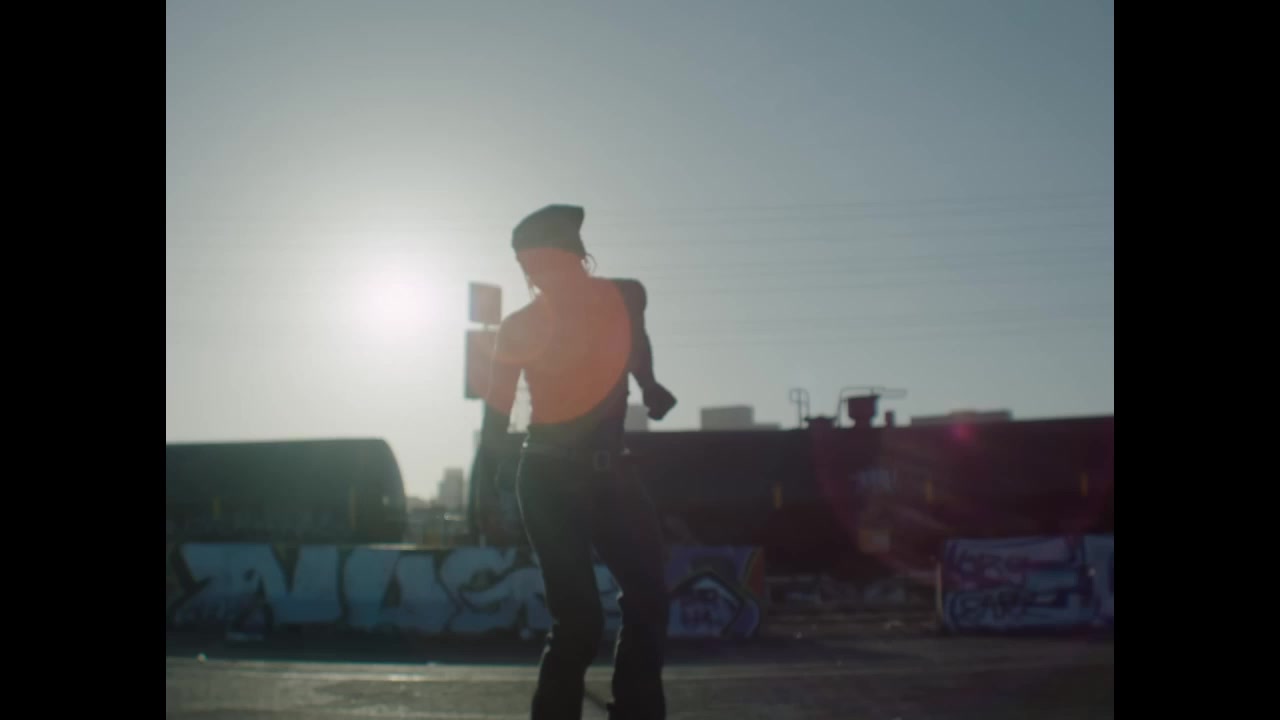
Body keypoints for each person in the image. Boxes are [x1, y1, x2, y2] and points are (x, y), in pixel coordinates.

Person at [476, 204, 676, 720]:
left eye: (540, 262)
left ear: (574, 255)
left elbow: (637, 343)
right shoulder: (518, 328)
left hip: (612, 475)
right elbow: (496, 414)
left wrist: (650, 385)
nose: (534, 275)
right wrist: (487, 490)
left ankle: (637, 711)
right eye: (527, 267)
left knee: (649, 598)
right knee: (579, 621)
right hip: (547, 479)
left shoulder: (625, 296)